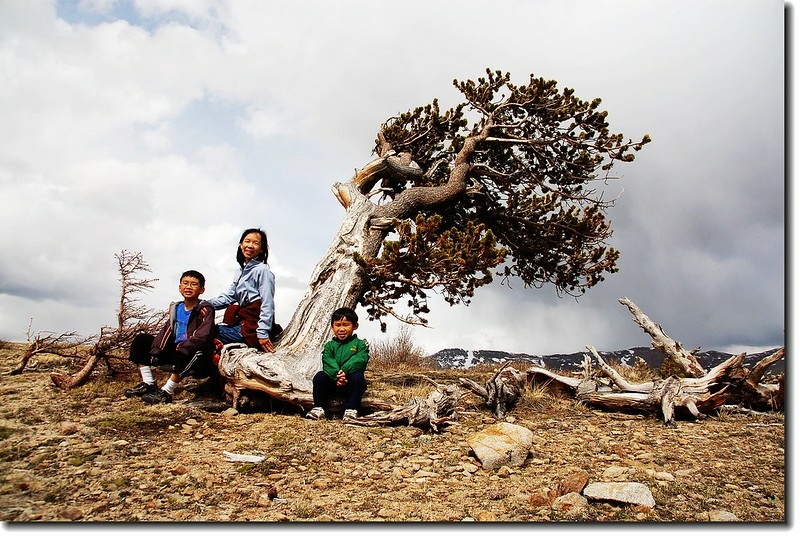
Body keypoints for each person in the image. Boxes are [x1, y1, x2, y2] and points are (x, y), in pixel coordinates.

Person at [123, 270, 217, 404]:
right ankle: (148, 383)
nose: (188, 287)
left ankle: (167, 391)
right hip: (175, 348)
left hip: (194, 353)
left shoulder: (205, 309)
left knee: (189, 351)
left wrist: (184, 347)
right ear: (180, 287)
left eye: (194, 284)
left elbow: (203, 336)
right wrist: (157, 349)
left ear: (202, 290)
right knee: (141, 340)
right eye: (185, 283)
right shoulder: (176, 308)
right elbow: (167, 330)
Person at [207, 228, 279, 353]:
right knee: (204, 331)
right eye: (247, 241)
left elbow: (267, 303)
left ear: (261, 249)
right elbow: (229, 297)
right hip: (241, 323)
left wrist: (262, 333)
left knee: (207, 332)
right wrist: (203, 304)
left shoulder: (262, 271)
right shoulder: (240, 272)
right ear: (241, 245)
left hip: (251, 328)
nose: (250, 246)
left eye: (255, 243)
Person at [305, 307, 370, 420]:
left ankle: (351, 410)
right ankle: (318, 408)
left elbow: (361, 359)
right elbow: (327, 360)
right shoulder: (329, 345)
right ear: (332, 327)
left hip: (350, 383)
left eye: (346, 325)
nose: (341, 329)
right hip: (334, 382)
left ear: (355, 326)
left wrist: (345, 371)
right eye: (338, 325)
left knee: (357, 377)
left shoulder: (361, 344)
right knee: (320, 377)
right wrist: (337, 375)